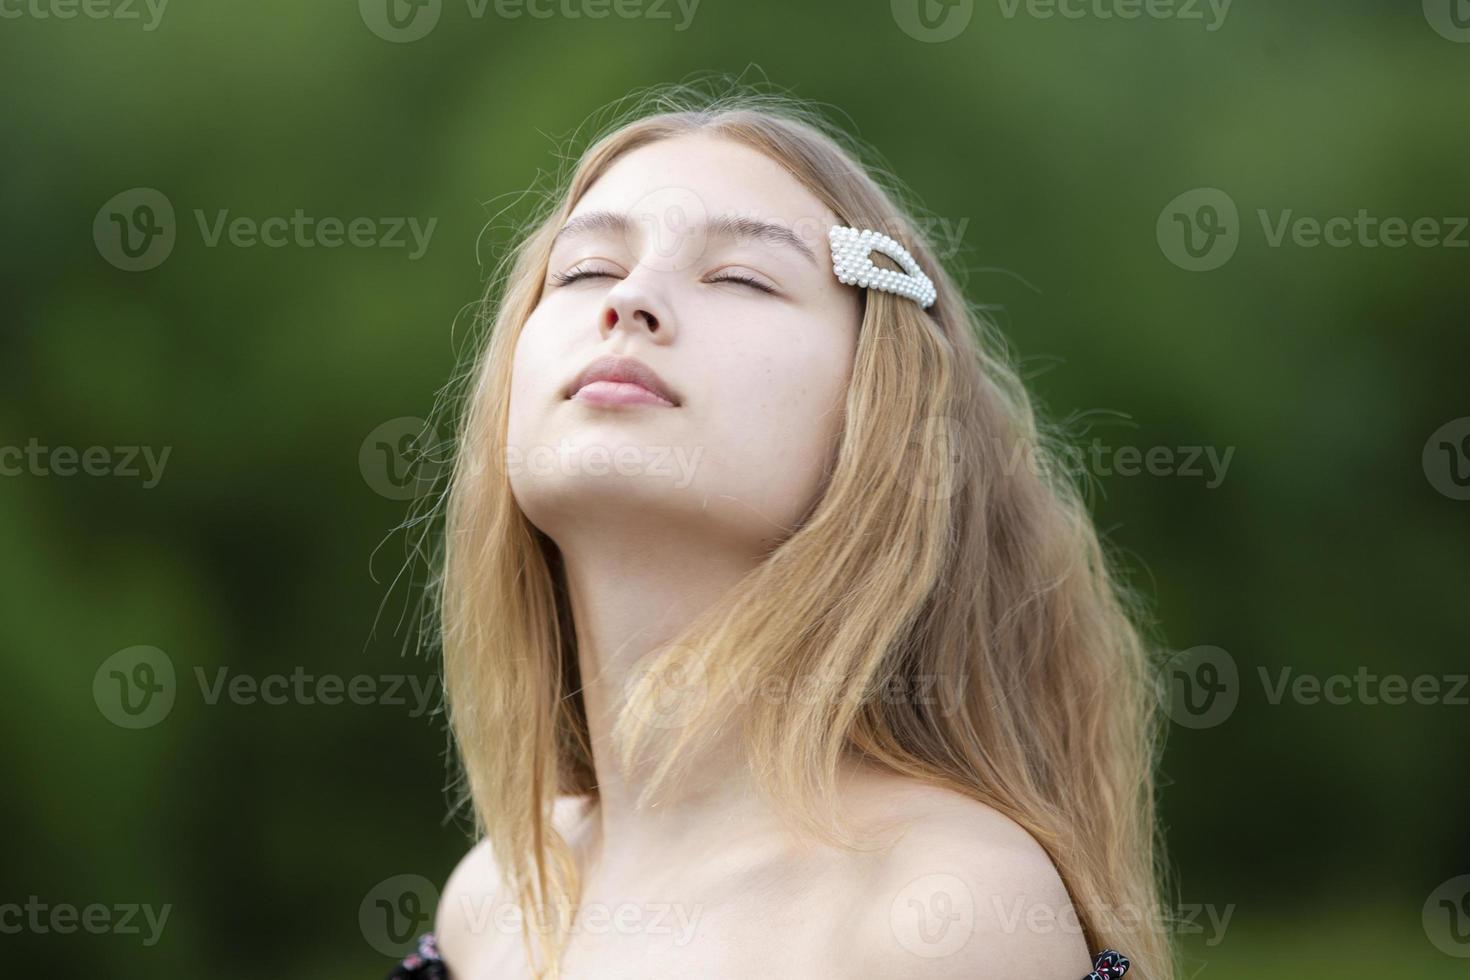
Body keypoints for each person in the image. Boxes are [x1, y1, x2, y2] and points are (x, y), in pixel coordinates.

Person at [391, 80, 1170, 980]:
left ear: (878, 414)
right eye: (584, 269)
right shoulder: (492, 903)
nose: (630, 299)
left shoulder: (937, 908)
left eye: (741, 277)